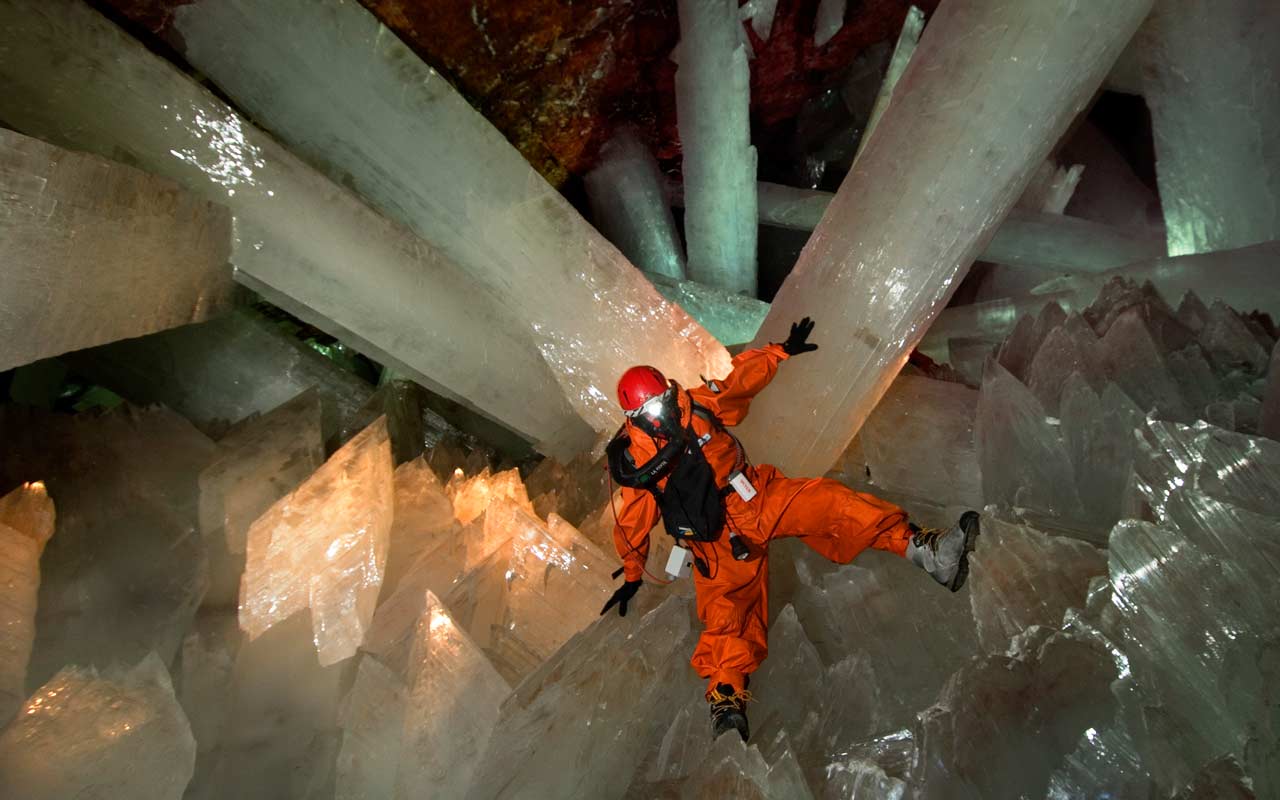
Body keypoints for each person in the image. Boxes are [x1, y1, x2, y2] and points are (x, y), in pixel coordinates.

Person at [599, 318, 980, 742]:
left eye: (664, 398)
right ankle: (727, 703)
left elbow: (737, 383)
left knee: (834, 503)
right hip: (714, 541)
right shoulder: (637, 463)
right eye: (652, 408)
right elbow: (632, 520)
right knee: (728, 615)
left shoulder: (695, 406)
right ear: (635, 415)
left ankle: (926, 552)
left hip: (755, 497)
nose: (664, 410)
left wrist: (779, 351)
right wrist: (633, 574)